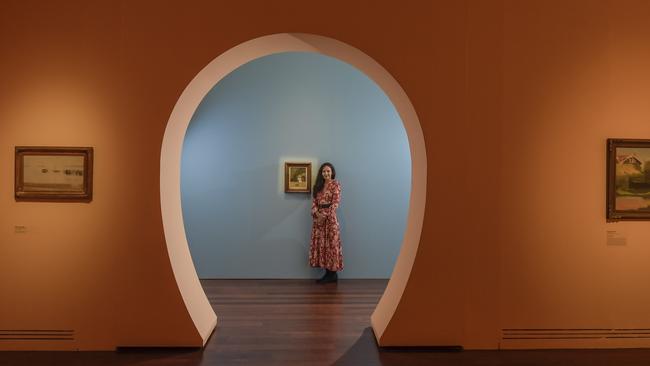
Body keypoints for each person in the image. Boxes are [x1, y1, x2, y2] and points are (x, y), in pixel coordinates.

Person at [309, 162, 343, 284]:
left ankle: (332, 274)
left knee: (331, 245)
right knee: (322, 246)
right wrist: (317, 214)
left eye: (328, 171)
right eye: (324, 171)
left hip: (330, 220)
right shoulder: (318, 186)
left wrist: (324, 216)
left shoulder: (336, 185)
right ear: (321, 173)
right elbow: (314, 204)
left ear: (332, 172)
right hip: (318, 221)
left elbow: (335, 204)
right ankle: (327, 274)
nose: (326, 173)